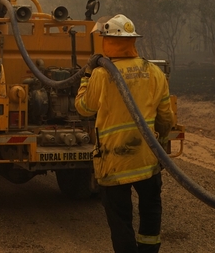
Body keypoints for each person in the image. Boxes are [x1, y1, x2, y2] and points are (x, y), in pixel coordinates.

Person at [74, 14, 175, 253]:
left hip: (114, 162)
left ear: (108, 41)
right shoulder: (154, 72)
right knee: (151, 211)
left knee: (120, 220)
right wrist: (159, 143)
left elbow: (83, 108)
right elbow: (166, 119)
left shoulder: (101, 74)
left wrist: (87, 75)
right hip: (147, 159)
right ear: (132, 41)